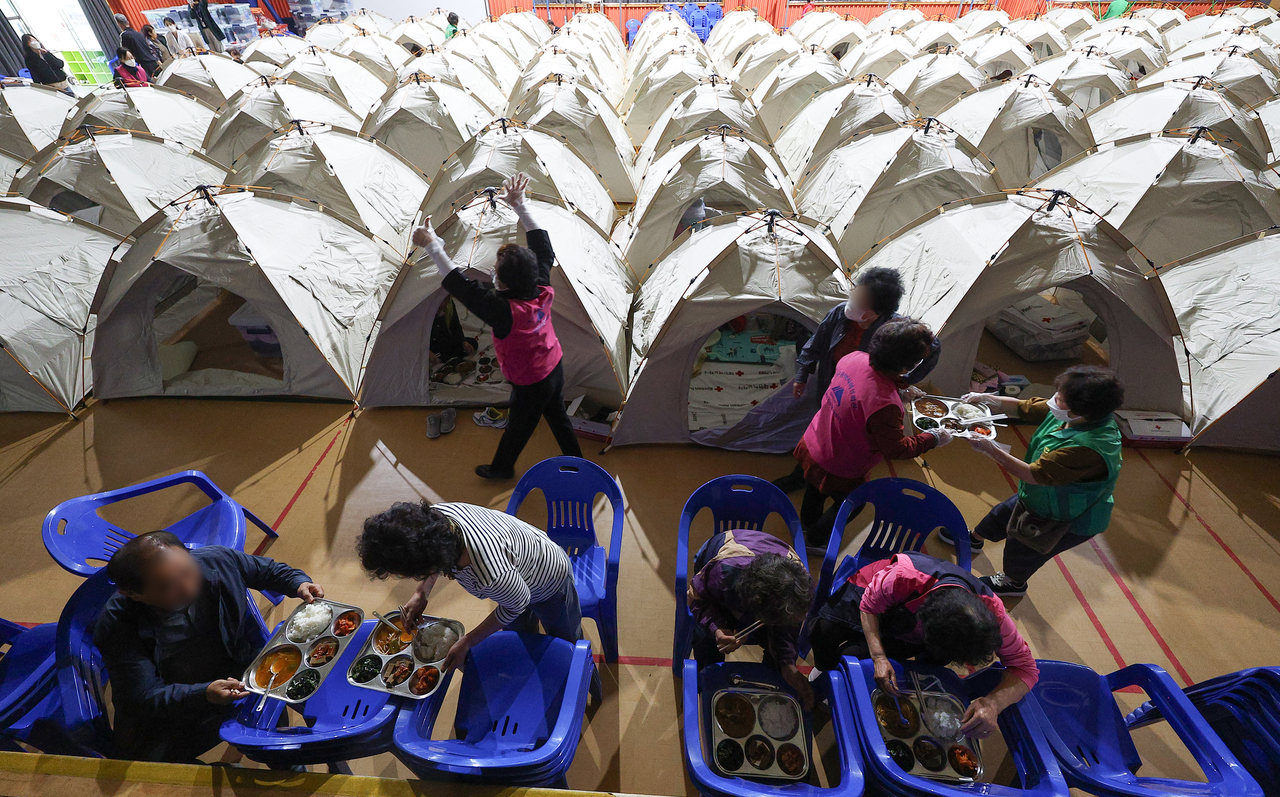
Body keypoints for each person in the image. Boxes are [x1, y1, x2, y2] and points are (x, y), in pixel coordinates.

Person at [93, 532, 323, 763]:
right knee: (150, 771)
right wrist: (203, 694)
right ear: (134, 595)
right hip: (177, 704)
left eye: (187, 572)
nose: (188, 588)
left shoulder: (217, 560)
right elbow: (142, 696)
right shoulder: (117, 624)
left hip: (239, 668)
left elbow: (268, 571)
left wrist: (298, 583)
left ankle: (283, 760)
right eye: (167, 587)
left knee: (277, 734)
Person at [410, 173, 583, 480]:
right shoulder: (540, 285)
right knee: (558, 418)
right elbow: (544, 249)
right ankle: (579, 464)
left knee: (518, 427)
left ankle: (502, 468)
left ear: (504, 283)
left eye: (497, 272)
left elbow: (459, 285)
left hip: (530, 383)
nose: (491, 272)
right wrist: (519, 205)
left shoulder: (503, 312)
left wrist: (435, 247)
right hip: (554, 367)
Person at [808, 551, 1038, 738]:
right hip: (866, 597)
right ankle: (822, 672)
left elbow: (1026, 669)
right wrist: (879, 657)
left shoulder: (994, 614)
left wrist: (993, 703)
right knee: (822, 633)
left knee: (857, 656)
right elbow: (869, 606)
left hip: (911, 627)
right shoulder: (904, 576)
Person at [944, 366, 1124, 597]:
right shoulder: (1070, 413)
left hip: (1064, 514)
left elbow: (1033, 475)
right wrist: (986, 399)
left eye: (1060, 398)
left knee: (1023, 549)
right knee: (1001, 514)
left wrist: (991, 450)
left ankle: (1013, 583)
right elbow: (1023, 407)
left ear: (1081, 411)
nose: (1053, 400)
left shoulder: (1089, 448)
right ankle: (975, 539)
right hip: (1041, 497)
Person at [357, 500, 584, 673]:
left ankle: (577, 671)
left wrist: (468, 641)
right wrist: (421, 592)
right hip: (517, 570)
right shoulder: (435, 519)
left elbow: (517, 605)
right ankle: (530, 664)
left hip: (549, 580)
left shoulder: (490, 572)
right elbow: (433, 552)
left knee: (564, 638)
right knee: (520, 637)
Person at [774, 267, 941, 493]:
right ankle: (804, 479)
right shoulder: (842, 321)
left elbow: (932, 346)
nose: (851, 305)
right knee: (826, 433)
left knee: (844, 442)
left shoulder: (891, 336)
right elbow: (816, 342)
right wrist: (802, 375)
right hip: (834, 388)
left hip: (858, 403)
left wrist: (902, 382)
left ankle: (813, 485)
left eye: (860, 301)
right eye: (855, 296)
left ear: (877, 312)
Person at [795, 319, 952, 543]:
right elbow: (896, 449)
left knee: (814, 490)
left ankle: (807, 524)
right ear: (909, 366)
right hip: (841, 464)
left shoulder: (854, 357)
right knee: (852, 504)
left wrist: (898, 388)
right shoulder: (886, 405)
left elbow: (860, 392)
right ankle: (816, 539)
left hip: (815, 441)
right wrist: (933, 437)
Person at [687, 528, 815, 708]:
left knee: (777, 657)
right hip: (723, 566)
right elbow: (695, 597)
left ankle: (768, 691)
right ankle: (709, 681)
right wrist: (717, 628)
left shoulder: (800, 589)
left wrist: (787, 665)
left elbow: (787, 630)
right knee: (705, 637)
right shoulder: (724, 572)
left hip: (766, 590)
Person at [114, 14, 159, 78]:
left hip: (144, 65)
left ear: (118, 24)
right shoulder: (138, 34)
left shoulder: (124, 35)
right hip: (153, 62)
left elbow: (126, 52)